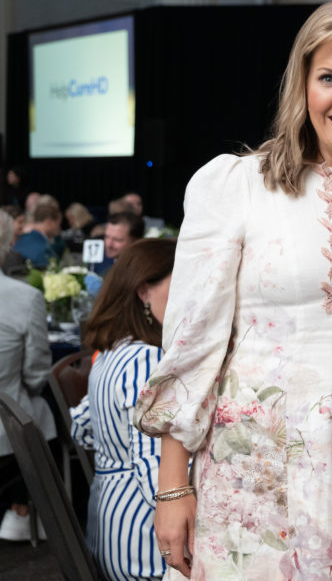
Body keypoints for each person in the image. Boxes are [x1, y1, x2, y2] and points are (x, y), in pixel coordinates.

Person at [133, 0, 332, 579]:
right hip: (253, 472)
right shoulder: (237, 185)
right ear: (302, 87)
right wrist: (173, 489)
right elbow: (191, 347)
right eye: (328, 77)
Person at [69, 238, 176, 580]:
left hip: (109, 526)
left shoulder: (115, 351)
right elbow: (155, 476)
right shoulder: (148, 360)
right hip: (145, 547)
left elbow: (80, 427)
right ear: (144, 292)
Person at [0, 209, 57, 541]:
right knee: (40, 409)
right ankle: (23, 509)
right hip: (6, 441)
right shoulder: (26, 298)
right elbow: (37, 375)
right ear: (9, 246)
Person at [12, 199, 62, 268]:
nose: (58, 227)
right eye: (57, 223)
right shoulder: (44, 249)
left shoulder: (19, 240)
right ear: (49, 222)